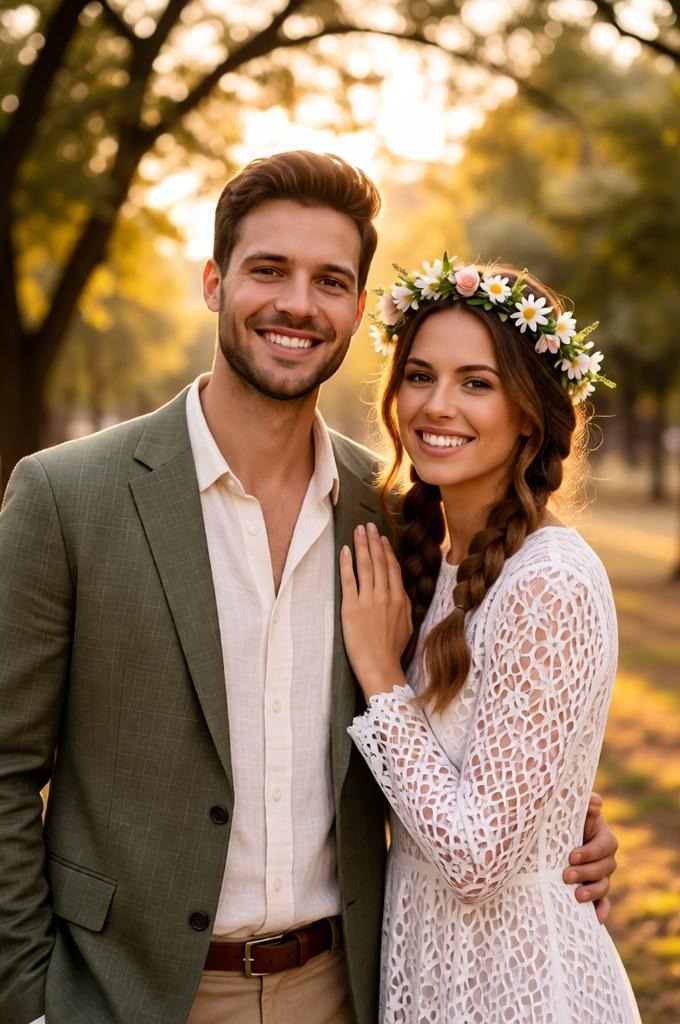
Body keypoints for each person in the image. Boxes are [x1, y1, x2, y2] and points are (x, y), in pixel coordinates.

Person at [0, 155, 618, 1024]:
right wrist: (26, 998)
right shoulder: (68, 497)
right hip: (126, 993)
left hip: (353, 986)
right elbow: (4, 765)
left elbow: (472, 726)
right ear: (214, 282)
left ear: (358, 311)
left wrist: (565, 822)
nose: (297, 303)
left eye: (329, 280)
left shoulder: (400, 513)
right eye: (267, 270)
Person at [339, 255, 641, 1022]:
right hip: (430, 974)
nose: (438, 406)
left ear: (529, 414)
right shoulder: (430, 563)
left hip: (519, 987)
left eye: (477, 382)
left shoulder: (550, 580)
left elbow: (475, 857)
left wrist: (379, 675)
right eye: (419, 375)